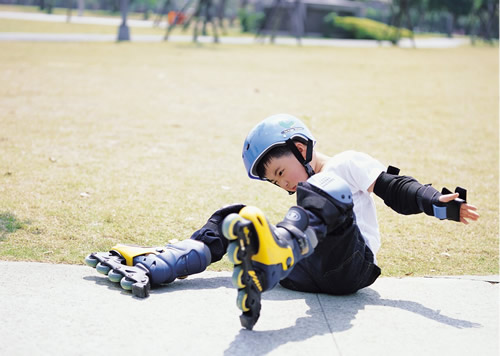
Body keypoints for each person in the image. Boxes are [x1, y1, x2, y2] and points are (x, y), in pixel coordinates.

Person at [85, 113, 479, 328]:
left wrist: (435, 202)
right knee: (237, 216)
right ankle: (166, 263)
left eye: (279, 170)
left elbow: (394, 188)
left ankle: (272, 259)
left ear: (301, 146)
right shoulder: (304, 194)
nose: (281, 183)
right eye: (273, 180)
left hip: (350, 268)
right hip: (304, 269)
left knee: (326, 190)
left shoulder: (344, 165)